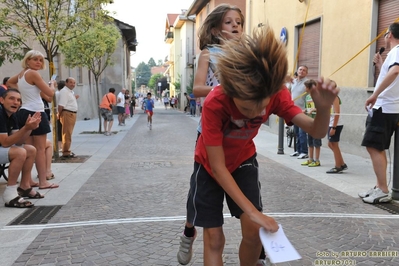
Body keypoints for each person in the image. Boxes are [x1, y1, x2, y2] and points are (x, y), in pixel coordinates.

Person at [181, 25, 338, 266]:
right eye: (245, 108)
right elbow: (218, 167)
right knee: (214, 238)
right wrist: (255, 212)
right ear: (231, 92)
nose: (254, 112)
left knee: (254, 233)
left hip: (243, 161)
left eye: (260, 107)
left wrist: (324, 109)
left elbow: (316, 130)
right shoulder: (215, 101)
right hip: (210, 168)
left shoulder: (276, 94)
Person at [359, 22, 399, 204]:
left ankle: (382, 189)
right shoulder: (393, 54)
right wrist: (382, 64)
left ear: (389, 34)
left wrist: (375, 95)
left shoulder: (397, 51)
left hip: (384, 108)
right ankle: (379, 186)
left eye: (385, 34)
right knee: (376, 146)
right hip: (386, 107)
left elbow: (396, 71)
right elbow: (391, 72)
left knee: (374, 146)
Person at [7, 50, 58, 190]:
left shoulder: (23, 73)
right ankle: (43, 182)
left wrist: (25, 93)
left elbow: (10, 82)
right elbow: (50, 94)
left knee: (29, 149)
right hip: (36, 112)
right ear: (27, 60)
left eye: (41, 60)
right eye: (35, 59)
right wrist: (52, 85)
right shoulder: (33, 74)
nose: (38, 62)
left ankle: (28, 181)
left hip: (24, 111)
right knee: (40, 149)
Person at [1, 89, 44, 208]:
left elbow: (19, 141)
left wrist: (30, 127)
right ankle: (10, 194)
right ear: (2, 100)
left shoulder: (12, 115)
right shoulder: (0, 113)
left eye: (19, 100)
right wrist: (25, 128)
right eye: (11, 98)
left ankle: (25, 186)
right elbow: (5, 142)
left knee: (30, 149)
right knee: (19, 153)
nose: (16, 102)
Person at [300, 80, 322, 167]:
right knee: (310, 141)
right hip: (310, 121)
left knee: (316, 142)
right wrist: (305, 111)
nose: (304, 88)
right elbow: (307, 107)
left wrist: (314, 109)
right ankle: (310, 159)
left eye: (306, 86)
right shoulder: (308, 97)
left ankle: (317, 160)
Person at [289, 65, 309, 159]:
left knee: (302, 132)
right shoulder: (293, 82)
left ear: (306, 73)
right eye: (300, 69)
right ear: (297, 71)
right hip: (294, 111)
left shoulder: (307, 83)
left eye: (304, 70)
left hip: (303, 111)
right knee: (296, 132)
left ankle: (304, 152)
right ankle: (298, 150)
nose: (302, 71)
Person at [326, 92, 348, 174]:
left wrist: (334, 127)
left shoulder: (334, 98)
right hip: (330, 124)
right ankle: (341, 163)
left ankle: (338, 166)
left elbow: (337, 113)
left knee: (334, 145)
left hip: (336, 124)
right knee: (330, 144)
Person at [58, 77, 78, 159]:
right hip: (67, 113)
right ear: (66, 83)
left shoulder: (69, 92)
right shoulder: (64, 91)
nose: (73, 84)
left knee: (68, 133)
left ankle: (67, 150)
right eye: (71, 82)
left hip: (71, 114)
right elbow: (61, 105)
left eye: (74, 83)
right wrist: (58, 114)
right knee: (66, 133)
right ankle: (66, 152)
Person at [55, 80, 65, 151]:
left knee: (58, 130)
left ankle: (59, 146)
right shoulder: (62, 94)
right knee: (62, 130)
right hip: (61, 112)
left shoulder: (55, 93)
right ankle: (60, 146)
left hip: (56, 112)